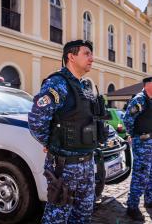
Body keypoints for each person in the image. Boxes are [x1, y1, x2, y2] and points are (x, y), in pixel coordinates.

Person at [28, 40, 104, 223]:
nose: (92, 58)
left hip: (86, 163)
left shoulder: (83, 86)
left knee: (83, 216)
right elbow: (37, 120)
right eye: (86, 53)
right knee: (57, 217)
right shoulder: (57, 84)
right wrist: (51, 143)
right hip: (65, 166)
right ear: (71, 56)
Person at [123, 76, 152, 221]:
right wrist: (135, 135)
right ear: (147, 85)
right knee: (141, 175)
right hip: (142, 143)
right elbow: (127, 120)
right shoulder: (139, 99)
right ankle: (132, 206)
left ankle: (150, 199)